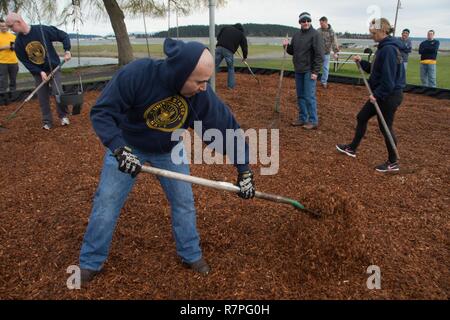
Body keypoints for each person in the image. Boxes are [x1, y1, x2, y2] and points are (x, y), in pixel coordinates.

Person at [78, 38, 256, 284]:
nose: (205, 87)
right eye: (200, 81)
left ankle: (190, 254)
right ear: (180, 74)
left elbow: (225, 129)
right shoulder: (137, 74)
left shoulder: (200, 96)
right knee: (106, 201)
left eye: (207, 81)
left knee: (184, 202)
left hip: (169, 150)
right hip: (128, 146)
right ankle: (90, 261)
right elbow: (103, 112)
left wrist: (244, 169)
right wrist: (118, 148)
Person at [336, 18, 406, 173]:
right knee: (362, 117)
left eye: (373, 32)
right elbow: (376, 72)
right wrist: (362, 63)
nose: (371, 35)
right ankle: (352, 148)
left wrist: (378, 95)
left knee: (385, 127)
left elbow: (388, 80)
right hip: (382, 93)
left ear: (382, 31)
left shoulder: (388, 50)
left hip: (388, 95)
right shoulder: (383, 48)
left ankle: (393, 162)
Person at [5, 12, 72, 130]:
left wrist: (67, 50)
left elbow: (63, 36)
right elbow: (25, 62)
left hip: (53, 68)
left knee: (58, 92)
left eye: (11, 27)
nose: (11, 30)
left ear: (18, 22)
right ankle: (47, 122)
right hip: (38, 72)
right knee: (42, 97)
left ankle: (63, 116)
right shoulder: (18, 42)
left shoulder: (42, 30)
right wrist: (39, 72)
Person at [283, 12, 324, 130]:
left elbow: (320, 55)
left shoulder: (315, 35)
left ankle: (313, 120)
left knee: (309, 96)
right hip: (298, 70)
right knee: (300, 95)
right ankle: (302, 118)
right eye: (303, 21)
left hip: (309, 70)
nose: (306, 23)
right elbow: (292, 51)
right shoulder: (296, 35)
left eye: (308, 20)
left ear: (310, 21)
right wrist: (285, 46)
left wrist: (315, 72)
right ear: (300, 22)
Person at [215, 23, 248, 89]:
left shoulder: (225, 28)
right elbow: (244, 47)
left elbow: (218, 37)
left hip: (219, 48)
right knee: (230, 68)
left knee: (213, 66)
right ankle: (231, 86)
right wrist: (245, 57)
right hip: (229, 51)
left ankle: (208, 83)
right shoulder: (241, 34)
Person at [0, 18, 19, 105]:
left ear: (7, 26)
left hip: (13, 62)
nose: (3, 27)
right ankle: (3, 98)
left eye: (4, 26)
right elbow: (7, 47)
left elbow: (17, 47)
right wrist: (6, 47)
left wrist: (14, 47)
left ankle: (13, 98)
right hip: (2, 62)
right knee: (2, 81)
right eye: (1, 26)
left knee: (13, 80)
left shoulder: (13, 36)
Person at [318, 16, 339, 89]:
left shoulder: (331, 32)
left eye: (322, 23)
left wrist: (335, 52)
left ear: (326, 22)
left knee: (325, 68)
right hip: (318, 52)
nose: (320, 25)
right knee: (315, 66)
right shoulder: (318, 30)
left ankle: (324, 82)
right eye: (320, 23)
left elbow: (334, 42)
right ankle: (312, 80)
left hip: (326, 53)